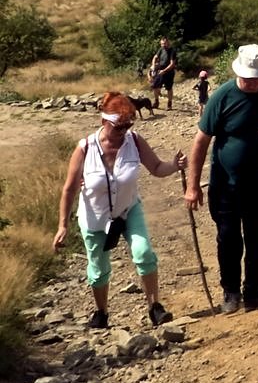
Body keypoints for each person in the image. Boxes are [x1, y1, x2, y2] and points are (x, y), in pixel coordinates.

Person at [51, 91, 185, 329]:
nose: (123, 131)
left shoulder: (134, 141)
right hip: (95, 216)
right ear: (104, 120)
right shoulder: (85, 148)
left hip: (128, 209)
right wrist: (62, 225)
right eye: (118, 126)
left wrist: (174, 165)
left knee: (143, 253)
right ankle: (101, 313)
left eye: (128, 125)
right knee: (99, 268)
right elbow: (69, 189)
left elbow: (156, 167)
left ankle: (155, 307)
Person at [183, 43, 258, 313]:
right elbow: (201, 141)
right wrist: (192, 186)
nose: (253, 83)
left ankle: (255, 294)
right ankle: (231, 293)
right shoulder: (222, 96)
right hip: (225, 185)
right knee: (229, 238)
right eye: (248, 78)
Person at [148, 38, 178, 111]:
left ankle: (169, 104)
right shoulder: (161, 49)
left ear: (168, 43)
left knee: (169, 88)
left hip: (169, 72)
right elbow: (155, 57)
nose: (163, 45)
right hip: (160, 71)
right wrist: (153, 65)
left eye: (164, 43)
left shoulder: (172, 51)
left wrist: (164, 70)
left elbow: (172, 64)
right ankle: (156, 102)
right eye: (161, 44)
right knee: (155, 86)